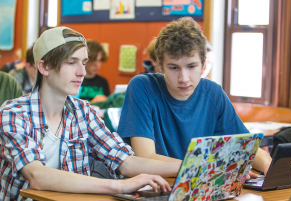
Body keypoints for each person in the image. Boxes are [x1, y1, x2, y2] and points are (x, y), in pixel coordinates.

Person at [0, 27, 181, 201]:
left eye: (84, 62)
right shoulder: (13, 114)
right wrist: (119, 187)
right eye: (71, 62)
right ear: (44, 67)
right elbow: (37, 176)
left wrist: (189, 167)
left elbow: (125, 162)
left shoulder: (83, 112)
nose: (82, 72)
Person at [117, 17, 272, 177]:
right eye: (174, 67)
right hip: (157, 188)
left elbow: (248, 147)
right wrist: (212, 168)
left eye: (191, 66)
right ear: (160, 65)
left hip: (203, 185)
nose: (184, 78)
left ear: (203, 64)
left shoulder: (213, 92)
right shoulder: (142, 86)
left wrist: (269, 167)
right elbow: (145, 157)